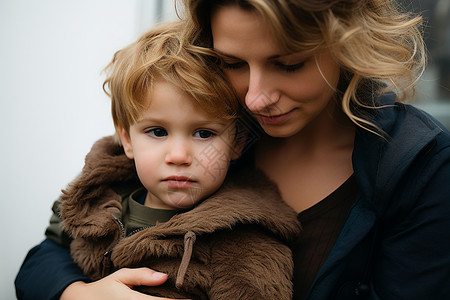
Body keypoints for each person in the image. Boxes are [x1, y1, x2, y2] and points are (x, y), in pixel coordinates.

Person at [15, 0, 450, 299]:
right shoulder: (200, 112)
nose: (256, 98)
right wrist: (80, 293)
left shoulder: (420, 166)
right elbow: (49, 255)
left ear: (349, 40)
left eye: (288, 63)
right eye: (234, 62)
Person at [15, 21, 301, 299]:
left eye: (203, 133)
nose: (178, 156)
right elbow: (37, 268)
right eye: (158, 131)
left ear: (237, 143)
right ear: (126, 139)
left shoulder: (245, 237)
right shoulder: (94, 199)